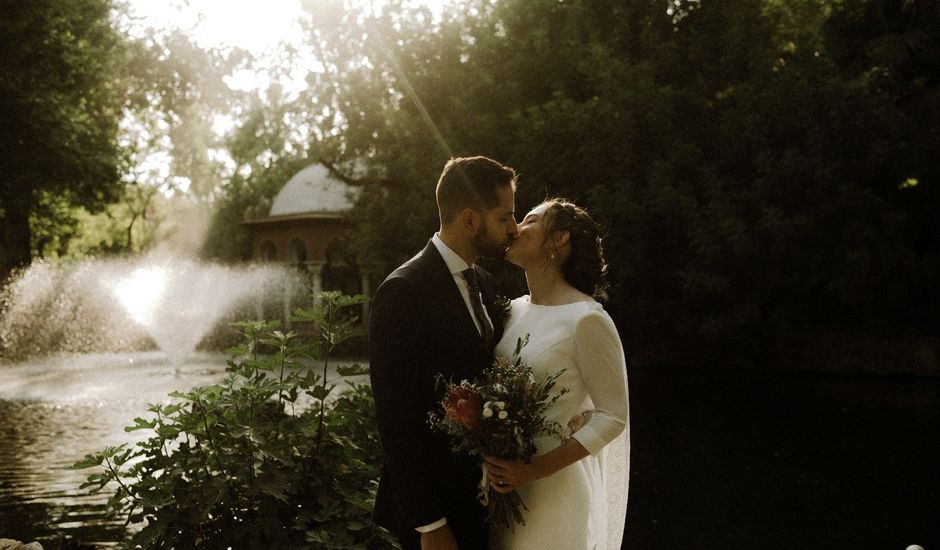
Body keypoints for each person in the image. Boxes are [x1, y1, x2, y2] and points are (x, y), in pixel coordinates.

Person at [369, 156, 519, 550]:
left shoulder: (485, 284)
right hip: (435, 515)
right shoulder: (403, 292)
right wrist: (429, 524)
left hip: (486, 502)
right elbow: (395, 419)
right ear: (470, 220)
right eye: (505, 217)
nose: (514, 229)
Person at [483, 198, 630, 550]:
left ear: (559, 238)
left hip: (554, 493)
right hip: (502, 491)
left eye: (530, 220)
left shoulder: (587, 319)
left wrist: (533, 470)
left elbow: (613, 416)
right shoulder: (512, 310)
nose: (515, 227)